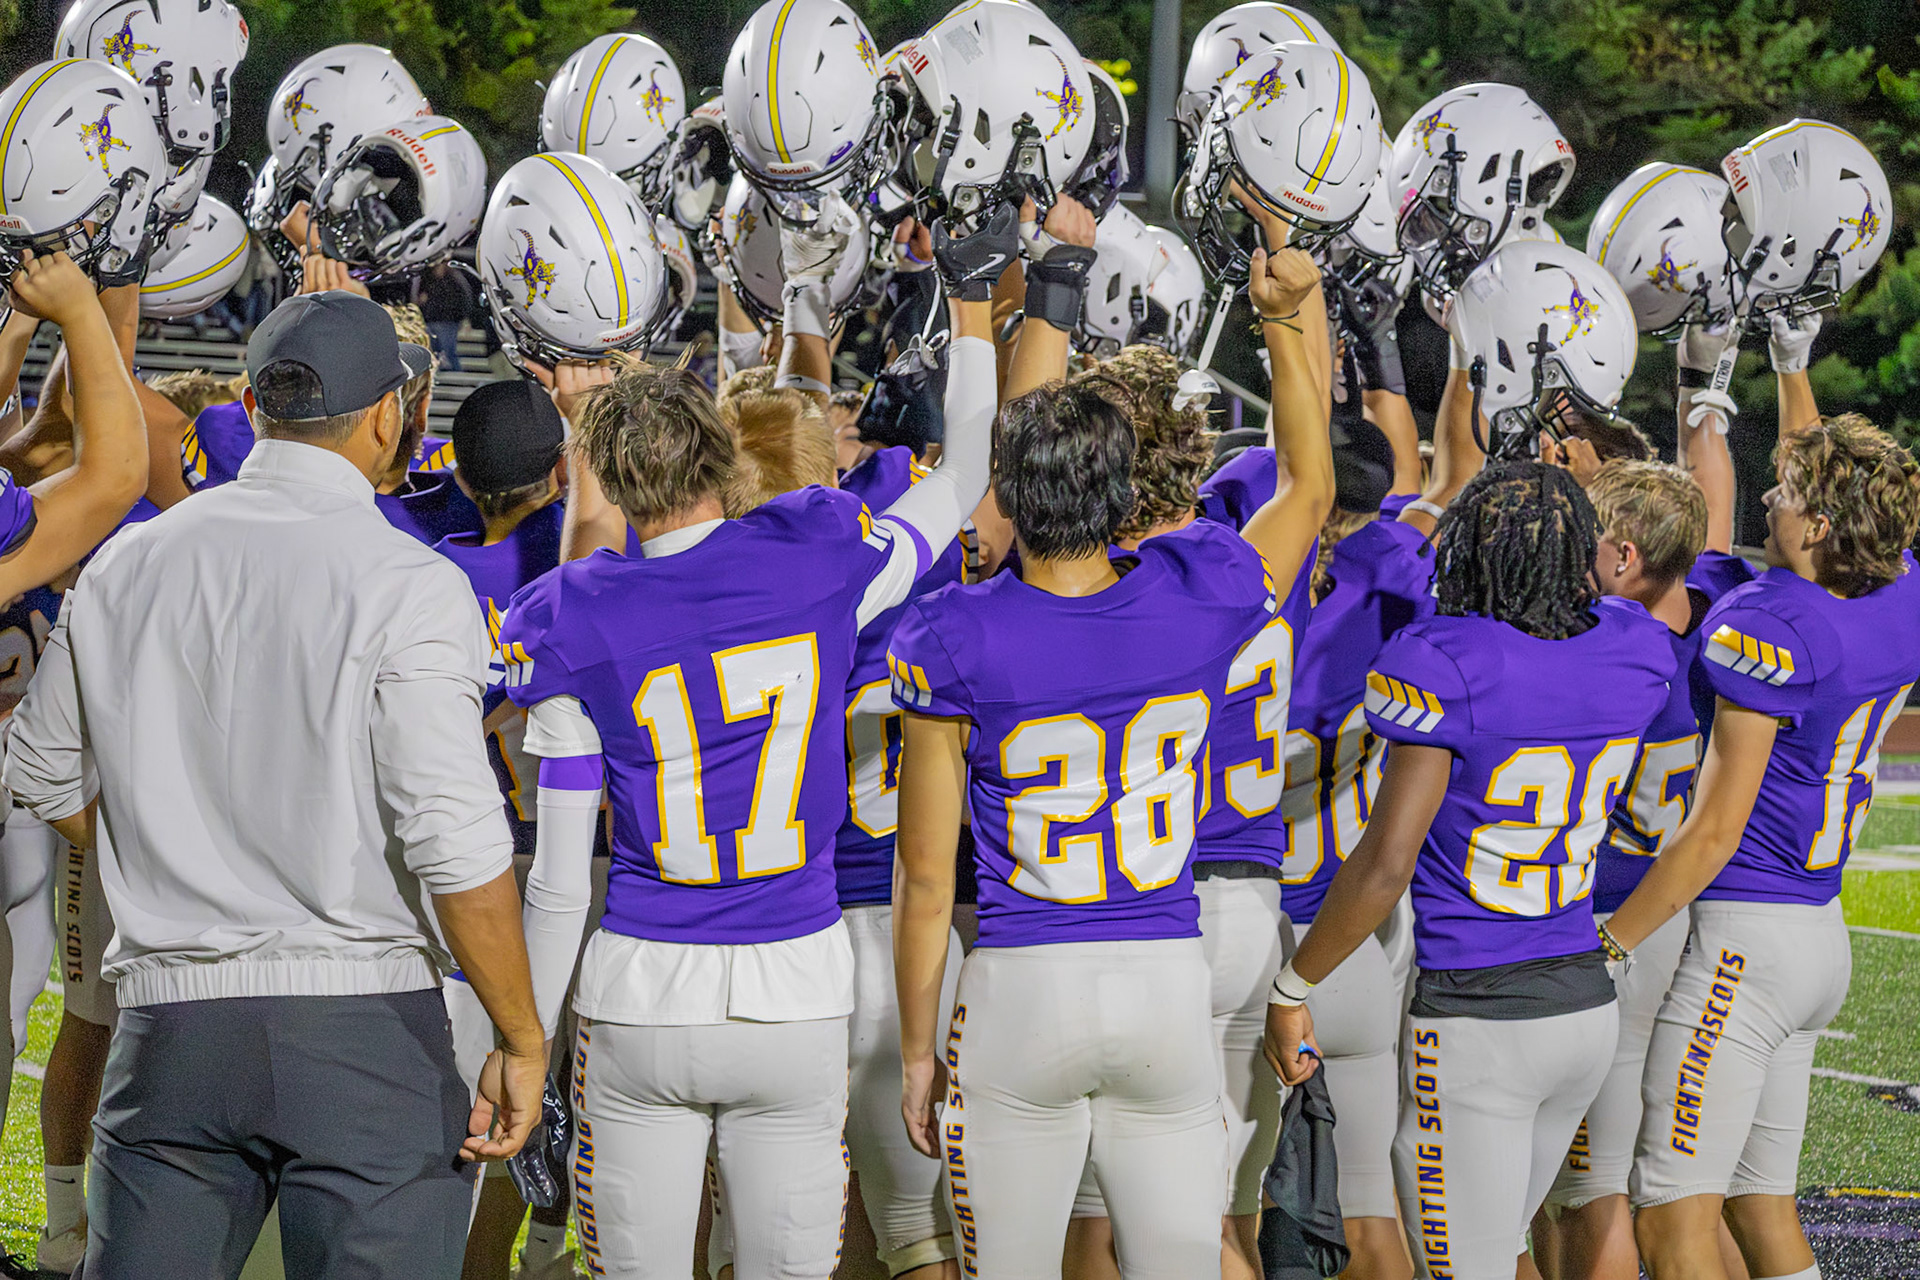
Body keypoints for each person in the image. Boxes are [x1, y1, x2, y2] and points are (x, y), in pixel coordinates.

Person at [496, 210, 999, 1278]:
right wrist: (973, 308)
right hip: (797, 984)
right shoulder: (813, 547)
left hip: (640, 983)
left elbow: (554, 882)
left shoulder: (575, 607)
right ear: (722, 458)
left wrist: (530, 1038)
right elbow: (963, 476)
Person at [3, 292, 545, 1280]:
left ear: (252, 403)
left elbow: (40, 768)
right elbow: (456, 842)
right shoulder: (408, 581)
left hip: (170, 1028)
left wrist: (166, 849)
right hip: (363, 1024)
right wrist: (519, 1033)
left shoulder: (129, 560)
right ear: (390, 413)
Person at [889, 243, 1328, 1280]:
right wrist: (1283, 316)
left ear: (1009, 490)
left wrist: (915, 1050)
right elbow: (1308, 486)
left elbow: (921, 878)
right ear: (1123, 487)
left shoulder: (954, 633)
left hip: (1023, 984)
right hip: (1165, 981)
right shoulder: (1193, 594)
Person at [1266, 461, 1677, 1280]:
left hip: (1477, 1017)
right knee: (1499, 1253)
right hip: (1582, 1003)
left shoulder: (1445, 659)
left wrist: (1293, 987)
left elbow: (1386, 867)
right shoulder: (1637, 646)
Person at [1602, 414, 1920, 1280]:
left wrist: (1611, 942)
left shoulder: (1769, 625)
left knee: (1671, 1219)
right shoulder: (1902, 594)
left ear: (1820, 525)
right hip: (1817, 932)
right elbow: (1849, 483)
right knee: (1761, 1207)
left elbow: (1712, 832)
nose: (1768, 499)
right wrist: (1790, 364)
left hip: (1743, 949)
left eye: (1787, 493)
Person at [430, 377, 587, 1280]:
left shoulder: (429, 568)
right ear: (559, 468)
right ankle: (550, 1247)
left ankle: (482, 1256)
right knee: (571, 1078)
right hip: (586, 852)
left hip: (469, 865)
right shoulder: (578, 560)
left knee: (477, 1086)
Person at [422, 261, 476, 371]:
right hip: (431, 319)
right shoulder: (428, 278)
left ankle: (457, 375)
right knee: (435, 352)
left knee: (448, 351)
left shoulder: (454, 278)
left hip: (448, 321)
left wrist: (464, 318)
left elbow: (465, 298)